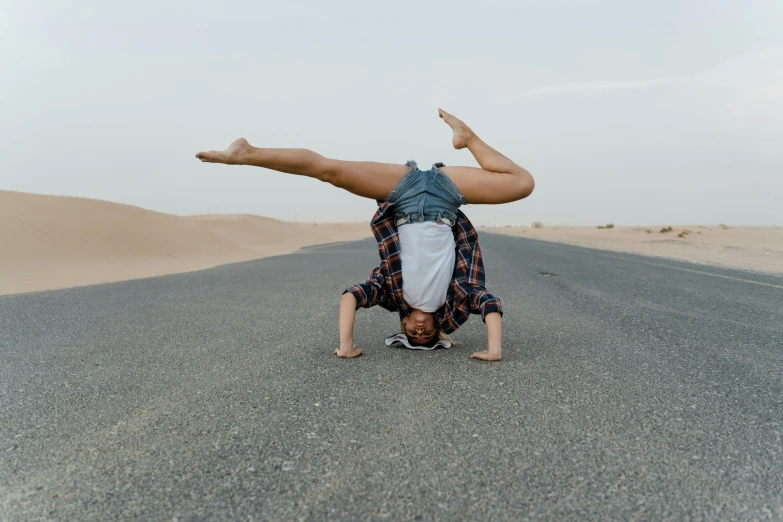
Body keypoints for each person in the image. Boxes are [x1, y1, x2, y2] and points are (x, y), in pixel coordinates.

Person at [196, 109, 534, 361]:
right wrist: (494, 350)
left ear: (403, 327)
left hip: (401, 196)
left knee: (331, 171)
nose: (420, 332)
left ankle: (247, 154)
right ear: (437, 329)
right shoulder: (457, 298)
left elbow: (350, 297)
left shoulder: (390, 293)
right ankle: (469, 138)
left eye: (413, 337)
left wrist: (346, 346)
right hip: (447, 197)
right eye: (428, 337)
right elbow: (489, 303)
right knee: (523, 183)